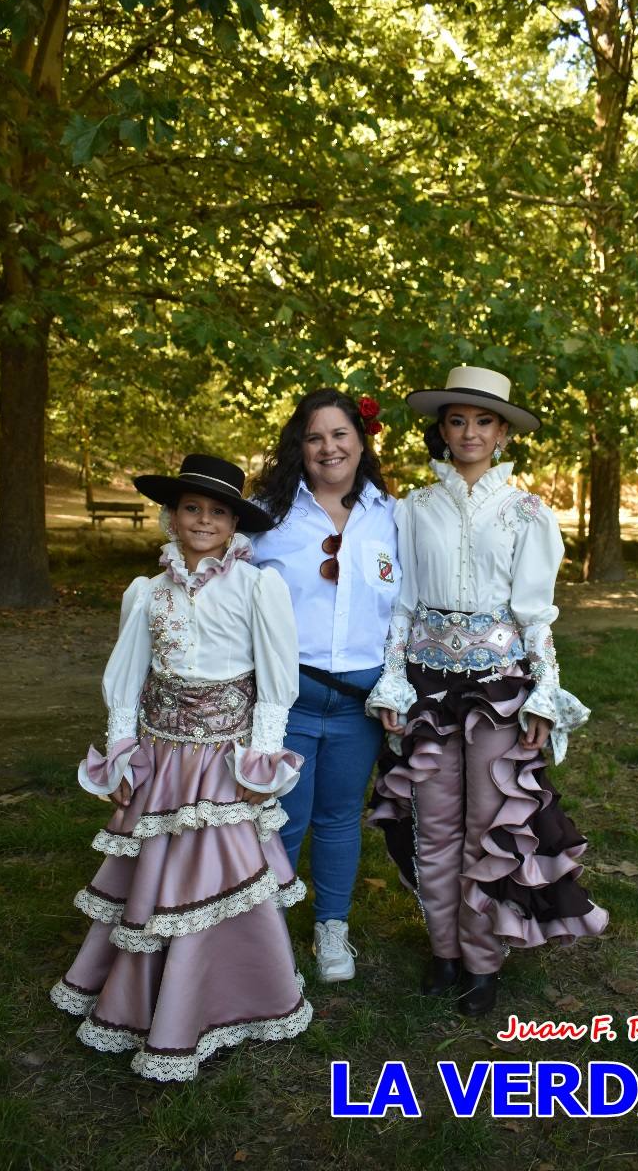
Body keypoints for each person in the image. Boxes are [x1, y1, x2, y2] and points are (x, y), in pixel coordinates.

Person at [50, 454, 312, 1081]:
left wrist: (259, 761)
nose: (202, 520)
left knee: (219, 875)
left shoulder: (257, 586)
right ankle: (144, 995)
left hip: (223, 763)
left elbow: (277, 684)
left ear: (232, 523)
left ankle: (233, 993)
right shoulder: (147, 593)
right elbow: (127, 679)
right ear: (172, 517)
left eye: (216, 511)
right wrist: (121, 756)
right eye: (191, 508)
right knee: (153, 875)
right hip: (163, 759)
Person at [366, 366, 608, 1018]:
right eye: (456, 419)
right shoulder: (413, 510)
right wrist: (393, 678)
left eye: (483, 420)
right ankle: (443, 951)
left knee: (486, 826)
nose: (469, 431)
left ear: (503, 434)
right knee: (435, 823)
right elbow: (402, 605)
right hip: (426, 685)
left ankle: (482, 961)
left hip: (499, 688)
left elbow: (537, 616)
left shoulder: (528, 513)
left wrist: (542, 696)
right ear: (441, 431)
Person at [251, 390, 400, 983]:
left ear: (362, 442)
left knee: (339, 818)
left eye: (340, 435)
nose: (328, 447)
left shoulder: (391, 516)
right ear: (300, 448)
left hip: (359, 704)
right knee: (281, 818)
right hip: (289, 697)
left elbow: (406, 609)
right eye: (315, 437)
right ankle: (268, 936)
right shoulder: (267, 515)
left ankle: (331, 928)